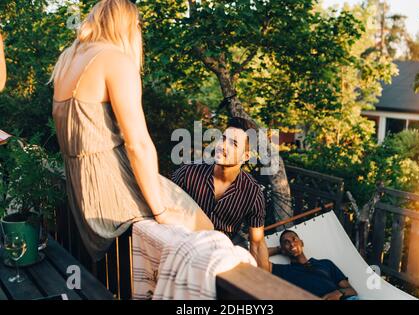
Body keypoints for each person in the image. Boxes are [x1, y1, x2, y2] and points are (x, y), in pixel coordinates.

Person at [51, 0, 213, 260]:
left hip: (83, 189)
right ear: (128, 26)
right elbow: (138, 144)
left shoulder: (68, 59)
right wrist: (160, 211)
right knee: (206, 229)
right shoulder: (114, 59)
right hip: (110, 186)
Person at [172, 116, 270, 270]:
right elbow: (165, 208)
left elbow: (257, 243)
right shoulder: (188, 172)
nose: (223, 146)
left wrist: (266, 285)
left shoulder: (252, 192)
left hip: (219, 258)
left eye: (234, 143)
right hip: (181, 247)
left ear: (245, 156)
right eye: (223, 138)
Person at [268, 230, 359, 300]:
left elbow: (352, 291)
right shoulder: (284, 271)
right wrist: (279, 249)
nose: (292, 243)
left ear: (302, 243)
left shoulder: (325, 263)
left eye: (294, 239)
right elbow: (256, 257)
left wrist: (338, 293)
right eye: (286, 242)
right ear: (283, 249)